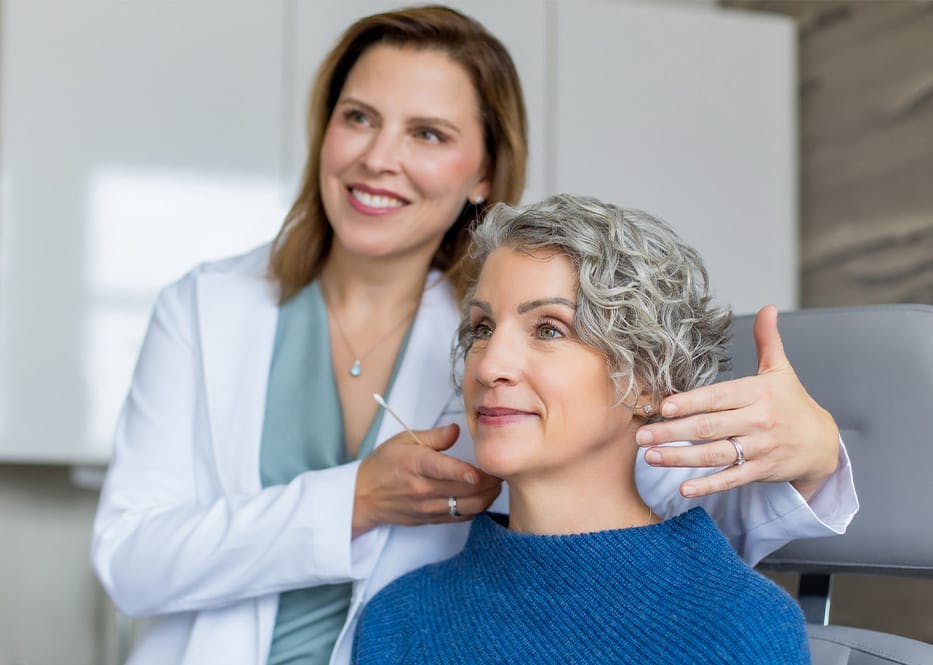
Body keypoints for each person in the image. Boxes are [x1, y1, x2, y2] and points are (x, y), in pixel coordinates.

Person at [91, 6, 853, 665]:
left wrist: (816, 457)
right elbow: (129, 561)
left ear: (483, 172)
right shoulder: (205, 307)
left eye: (426, 132)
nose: (377, 157)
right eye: (356, 116)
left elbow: (637, 503)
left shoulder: (501, 325)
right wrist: (353, 499)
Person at [352, 194, 811, 664]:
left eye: (548, 329)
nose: (490, 366)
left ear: (648, 379)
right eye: (483, 328)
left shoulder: (739, 628)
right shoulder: (398, 619)